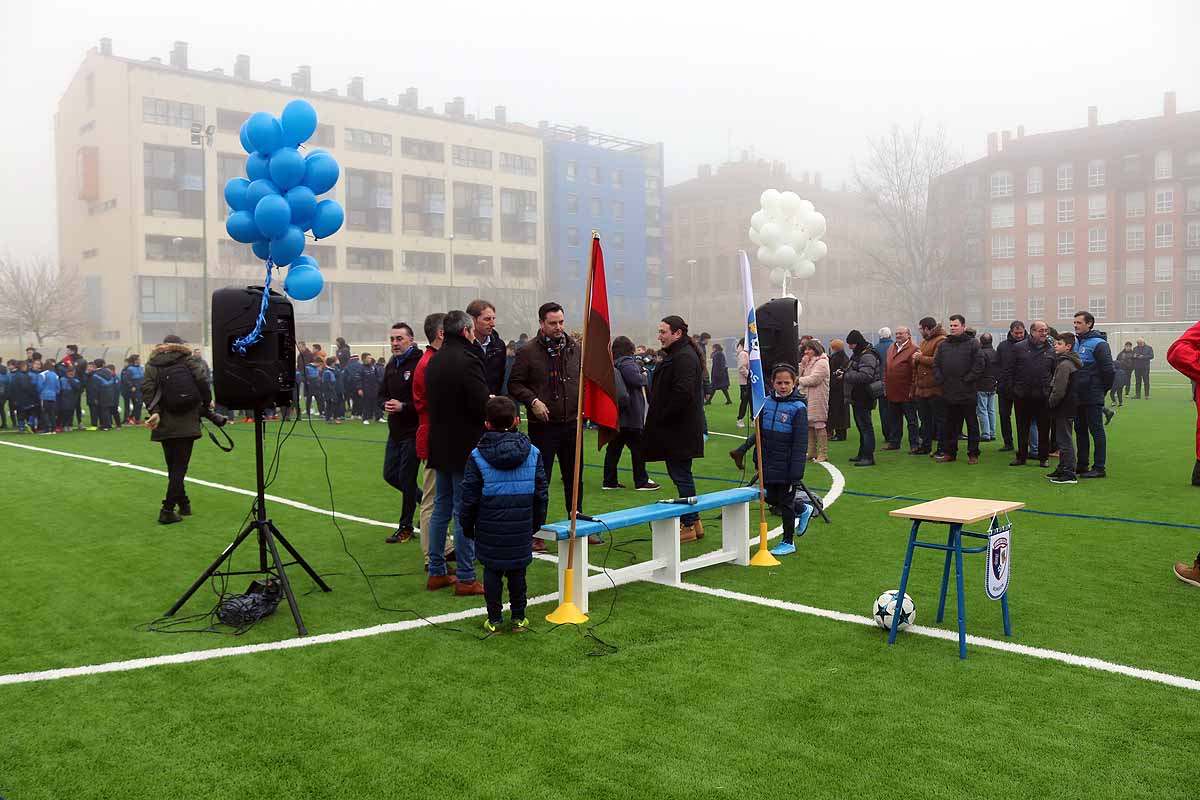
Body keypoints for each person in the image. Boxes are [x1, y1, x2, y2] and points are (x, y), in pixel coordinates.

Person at [460, 396, 549, 634]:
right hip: (521, 524)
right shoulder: (533, 452)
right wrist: (536, 524)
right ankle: (519, 617)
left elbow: (468, 497)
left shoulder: (477, 456)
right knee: (518, 571)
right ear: (518, 421)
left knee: (492, 571)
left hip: (490, 524)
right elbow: (541, 493)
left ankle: (495, 618)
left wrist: (467, 526)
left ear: (487, 423)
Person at [507, 302, 587, 549]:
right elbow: (515, 384)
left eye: (561, 322)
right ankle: (536, 531)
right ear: (542, 323)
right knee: (541, 480)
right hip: (543, 426)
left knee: (575, 478)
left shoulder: (575, 348)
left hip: (572, 423)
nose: (558, 327)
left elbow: (584, 379)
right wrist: (532, 401)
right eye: (553, 323)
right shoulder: (528, 351)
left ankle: (579, 525)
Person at [424, 309, 489, 595]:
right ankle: (465, 576)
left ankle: (437, 570)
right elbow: (480, 404)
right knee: (465, 511)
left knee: (441, 507)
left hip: (440, 441)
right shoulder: (468, 360)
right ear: (465, 331)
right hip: (465, 443)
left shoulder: (434, 360)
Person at [642, 315, 707, 542]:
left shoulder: (684, 357)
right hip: (677, 428)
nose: (659, 336)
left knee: (681, 475)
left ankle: (688, 525)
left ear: (677, 333)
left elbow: (683, 392)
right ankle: (695, 522)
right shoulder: (680, 355)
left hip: (679, 429)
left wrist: (663, 416)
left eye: (663, 332)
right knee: (681, 474)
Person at [736, 364, 811, 558]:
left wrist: (796, 473)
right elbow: (760, 435)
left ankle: (788, 541)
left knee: (785, 504)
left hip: (786, 465)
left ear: (794, 383)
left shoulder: (798, 408)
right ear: (772, 383)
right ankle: (803, 508)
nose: (783, 386)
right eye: (779, 382)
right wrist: (755, 458)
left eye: (787, 382)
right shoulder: (765, 403)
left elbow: (800, 443)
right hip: (768, 463)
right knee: (770, 498)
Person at [142, 335, 210, 524]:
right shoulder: (188, 360)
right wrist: (206, 402)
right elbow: (202, 380)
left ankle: (184, 503)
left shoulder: (153, 363)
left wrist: (154, 411)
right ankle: (167, 509)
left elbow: (147, 389)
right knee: (179, 468)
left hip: (163, 419)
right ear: (180, 346)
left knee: (173, 466)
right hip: (187, 418)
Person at [413, 313, 454, 570]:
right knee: (432, 499)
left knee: (442, 496)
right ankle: (431, 556)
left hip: (438, 434)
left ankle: (445, 547)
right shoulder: (430, 363)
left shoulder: (432, 360)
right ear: (441, 333)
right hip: (433, 436)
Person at [381, 322, 423, 544]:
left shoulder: (420, 364)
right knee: (390, 475)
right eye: (392, 339)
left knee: (407, 478)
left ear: (411, 340)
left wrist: (404, 407)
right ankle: (426, 501)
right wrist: (385, 404)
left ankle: (406, 526)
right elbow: (382, 394)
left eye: (400, 339)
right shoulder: (391, 365)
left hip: (414, 431)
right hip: (395, 432)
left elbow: (427, 402)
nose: (395, 343)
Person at [604, 336, 659, 491]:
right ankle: (641, 481)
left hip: (619, 414)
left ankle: (609, 481)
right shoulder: (627, 363)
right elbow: (636, 380)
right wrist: (644, 375)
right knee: (638, 448)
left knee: (614, 448)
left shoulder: (614, 363)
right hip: (631, 414)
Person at [932, 315, 984, 464]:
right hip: (948, 391)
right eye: (951, 325)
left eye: (956, 325)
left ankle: (973, 454)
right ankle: (950, 453)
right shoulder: (943, 345)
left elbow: (979, 365)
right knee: (950, 425)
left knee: (972, 424)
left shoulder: (973, 344)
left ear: (963, 326)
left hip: (967, 392)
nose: (953, 328)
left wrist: (967, 380)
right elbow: (936, 364)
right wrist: (940, 379)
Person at [1006, 320, 1054, 468]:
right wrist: (1014, 390)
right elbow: (1009, 370)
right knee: (1022, 427)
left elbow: (1054, 372)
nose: (1044, 333)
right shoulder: (1018, 348)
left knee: (1044, 428)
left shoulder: (1051, 350)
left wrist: (1049, 390)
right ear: (1032, 332)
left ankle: (1043, 457)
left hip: (1043, 396)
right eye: (1041, 330)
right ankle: (1021, 457)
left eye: (1046, 330)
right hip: (1023, 395)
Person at [1072, 311, 1115, 479]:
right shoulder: (1076, 342)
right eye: (1074, 322)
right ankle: (1082, 465)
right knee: (1080, 429)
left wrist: (1102, 390)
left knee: (1096, 430)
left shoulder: (1099, 344)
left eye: (1079, 323)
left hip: (1093, 394)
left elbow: (1109, 371)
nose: (1075, 325)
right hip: (1078, 395)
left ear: (1089, 324)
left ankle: (1099, 467)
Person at [840, 330, 882, 467]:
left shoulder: (867, 355)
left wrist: (846, 375)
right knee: (862, 426)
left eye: (851, 344)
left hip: (864, 396)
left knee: (865, 427)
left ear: (857, 343)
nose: (850, 347)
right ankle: (863, 454)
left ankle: (868, 457)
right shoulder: (861, 354)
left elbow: (866, 376)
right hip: (858, 395)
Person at [1045, 332, 1083, 484]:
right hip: (1066, 405)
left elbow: (1059, 389)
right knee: (1062, 439)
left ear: (1068, 346)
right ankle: (1062, 468)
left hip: (1064, 406)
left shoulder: (1065, 364)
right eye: (1055, 343)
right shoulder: (1067, 362)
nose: (1055, 345)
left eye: (1059, 344)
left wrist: (1051, 403)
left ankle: (1069, 472)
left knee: (1064, 439)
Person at [912, 318, 947, 456]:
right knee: (925, 420)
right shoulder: (925, 341)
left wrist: (919, 358)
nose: (919, 331)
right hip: (922, 388)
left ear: (926, 328)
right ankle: (925, 446)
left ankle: (942, 448)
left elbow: (938, 361)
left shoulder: (941, 341)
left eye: (920, 328)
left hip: (935, 387)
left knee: (939, 420)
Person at [883, 326, 920, 453]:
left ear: (908, 335)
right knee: (894, 419)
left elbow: (915, 371)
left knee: (911, 421)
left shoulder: (914, 349)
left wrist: (912, 389)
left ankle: (914, 444)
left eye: (901, 333)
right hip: (893, 390)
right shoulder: (891, 348)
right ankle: (894, 442)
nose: (898, 335)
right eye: (896, 333)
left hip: (906, 391)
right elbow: (886, 368)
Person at [796, 339, 831, 462]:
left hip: (818, 397)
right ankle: (811, 451)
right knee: (809, 424)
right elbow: (800, 374)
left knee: (819, 424)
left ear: (816, 349)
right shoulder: (810, 362)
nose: (806, 352)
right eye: (805, 349)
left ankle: (823, 453)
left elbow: (815, 379)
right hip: (808, 396)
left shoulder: (822, 362)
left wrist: (798, 381)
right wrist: (803, 365)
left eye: (809, 349)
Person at [467, 299, 507, 397]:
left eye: (493, 318)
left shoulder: (499, 346)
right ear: (472, 320)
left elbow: (501, 378)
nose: (493, 324)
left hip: (493, 405)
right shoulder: (463, 347)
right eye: (487, 319)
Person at [874, 327, 895, 444]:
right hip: (893, 382)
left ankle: (887, 434)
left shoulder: (875, 348)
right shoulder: (895, 347)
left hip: (880, 384)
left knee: (883, 410)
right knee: (895, 410)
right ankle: (895, 434)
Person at [977, 332, 999, 442]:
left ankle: (985, 433)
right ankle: (992, 432)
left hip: (982, 384)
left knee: (982, 409)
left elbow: (979, 369)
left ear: (981, 342)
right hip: (992, 383)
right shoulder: (995, 353)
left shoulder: (980, 353)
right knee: (991, 410)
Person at [827, 339, 850, 441]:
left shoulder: (835, 358)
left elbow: (833, 373)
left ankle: (839, 434)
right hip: (843, 388)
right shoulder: (845, 357)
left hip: (836, 389)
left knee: (837, 411)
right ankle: (841, 433)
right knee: (842, 411)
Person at [120, 355, 145, 425]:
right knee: (138, 403)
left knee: (139, 404)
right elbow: (126, 379)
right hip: (135, 389)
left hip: (141, 388)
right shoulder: (130, 369)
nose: (140, 360)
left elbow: (143, 377)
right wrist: (132, 386)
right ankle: (130, 418)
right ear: (135, 360)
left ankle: (136, 419)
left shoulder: (140, 368)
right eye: (139, 359)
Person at [735, 338, 751, 428]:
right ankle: (740, 419)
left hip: (751, 381)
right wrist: (749, 376)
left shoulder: (747, 353)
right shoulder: (743, 354)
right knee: (744, 401)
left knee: (752, 402)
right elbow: (742, 368)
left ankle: (753, 419)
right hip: (745, 382)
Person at [1114, 342, 1134, 407]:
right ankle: (1117, 392)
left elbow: (1133, 362)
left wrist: (1129, 365)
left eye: (1129, 346)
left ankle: (1127, 393)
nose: (1128, 347)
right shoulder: (1121, 353)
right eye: (1126, 346)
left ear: (1131, 347)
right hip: (1121, 370)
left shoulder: (1133, 353)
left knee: (1128, 381)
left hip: (1129, 370)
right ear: (1125, 346)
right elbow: (1117, 360)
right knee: (1118, 381)